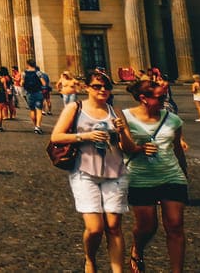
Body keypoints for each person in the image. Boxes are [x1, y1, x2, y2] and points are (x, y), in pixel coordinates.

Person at [49, 70, 128, 273]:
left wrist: (122, 132)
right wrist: (86, 136)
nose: (102, 90)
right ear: (86, 88)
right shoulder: (75, 108)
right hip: (84, 172)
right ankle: (90, 259)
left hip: (115, 171)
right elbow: (56, 137)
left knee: (114, 226)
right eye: (97, 86)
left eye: (106, 87)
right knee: (95, 228)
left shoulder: (116, 112)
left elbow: (128, 147)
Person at [121, 78, 189, 273]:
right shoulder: (125, 117)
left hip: (171, 175)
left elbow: (177, 149)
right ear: (143, 98)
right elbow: (121, 147)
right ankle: (137, 248)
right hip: (140, 178)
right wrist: (139, 148)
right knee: (147, 227)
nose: (164, 101)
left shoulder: (173, 119)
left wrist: (184, 174)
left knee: (175, 225)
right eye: (160, 98)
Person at [22, 59, 46, 134]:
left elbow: (21, 83)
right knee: (39, 110)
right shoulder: (38, 72)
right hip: (38, 92)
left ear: (28, 64)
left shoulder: (24, 73)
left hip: (29, 93)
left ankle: (35, 125)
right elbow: (44, 83)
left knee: (32, 110)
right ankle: (38, 126)